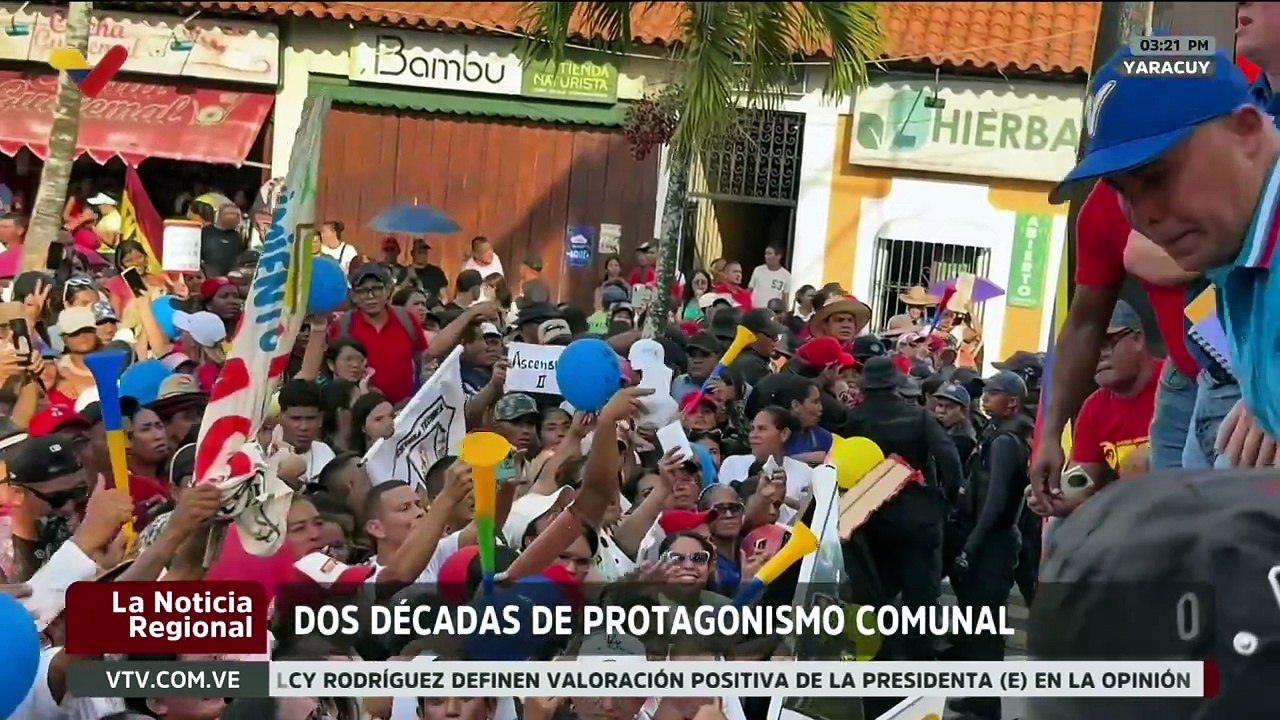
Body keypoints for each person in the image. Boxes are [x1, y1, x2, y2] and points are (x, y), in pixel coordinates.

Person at [843, 357, 962, 661]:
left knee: (874, 597)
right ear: (896, 384)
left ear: (865, 386)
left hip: (870, 521)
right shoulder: (920, 418)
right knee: (921, 601)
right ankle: (918, 669)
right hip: (919, 519)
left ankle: (880, 663)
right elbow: (949, 460)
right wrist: (944, 498)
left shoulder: (854, 420)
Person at [946, 370, 1031, 720]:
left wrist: (971, 547)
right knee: (976, 625)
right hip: (984, 536)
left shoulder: (1007, 441)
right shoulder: (997, 432)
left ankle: (986, 704)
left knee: (985, 628)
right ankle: (977, 696)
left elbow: (996, 501)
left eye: (993, 393)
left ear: (1011, 401)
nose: (986, 397)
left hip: (992, 541)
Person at [1030, 302, 1162, 520]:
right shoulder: (1094, 408)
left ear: (1137, 339)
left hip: (1183, 511)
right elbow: (1081, 478)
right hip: (1132, 521)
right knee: (1058, 528)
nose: (1098, 355)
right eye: (1090, 348)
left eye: (1107, 343)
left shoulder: (1176, 387)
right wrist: (1053, 495)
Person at [331, 263, 428, 406]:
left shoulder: (406, 319)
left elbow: (422, 356)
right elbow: (333, 369)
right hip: (360, 411)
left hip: (406, 408)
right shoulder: (343, 325)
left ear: (388, 290)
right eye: (363, 291)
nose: (371, 296)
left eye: (376, 289)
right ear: (354, 296)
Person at [747, 245, 791, 310]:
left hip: (773, 311)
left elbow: (785, 297)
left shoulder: (786, 275)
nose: (766, 256)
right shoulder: (758, 270)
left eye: (769, 253)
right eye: (766, 254)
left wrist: (785, 312)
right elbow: (749, 290)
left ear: (778, 256)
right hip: (755, 310)